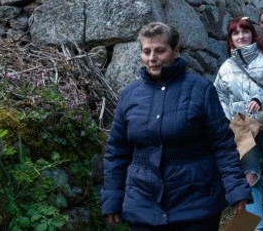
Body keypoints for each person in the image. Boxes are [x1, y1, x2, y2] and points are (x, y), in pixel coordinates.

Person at [101, 22, 250, 231]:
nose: (152, 58)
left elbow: (222, 145)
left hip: (196, 204)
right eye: (146, 51)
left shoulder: (200, 89)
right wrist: (112, 197)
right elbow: (117, 151)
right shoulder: (130, 95)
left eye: (160, 50)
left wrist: (236, 188)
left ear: (176, 51)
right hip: (143, 204)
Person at [214, 17, 263, 230]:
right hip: (244, 132)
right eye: (235, 33)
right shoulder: (225, 68)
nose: (241, 36)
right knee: (251, 176)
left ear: (252, 34)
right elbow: (220, 97)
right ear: (230, 39)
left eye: (245, 32)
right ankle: (256, 226)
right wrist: (230, 119)